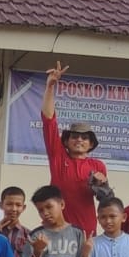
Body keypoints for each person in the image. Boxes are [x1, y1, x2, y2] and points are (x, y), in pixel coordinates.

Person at [39, 61, 109, 236]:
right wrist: (50, 86)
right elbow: (48, 119)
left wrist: (103, 184)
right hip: (57, 228)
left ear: (91, 144)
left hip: (86, 230)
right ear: (66, 141)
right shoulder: (58, 155)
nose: (79, 140)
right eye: (75, 136)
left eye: (85, 137)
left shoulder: (98, 165)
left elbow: (105, 199)